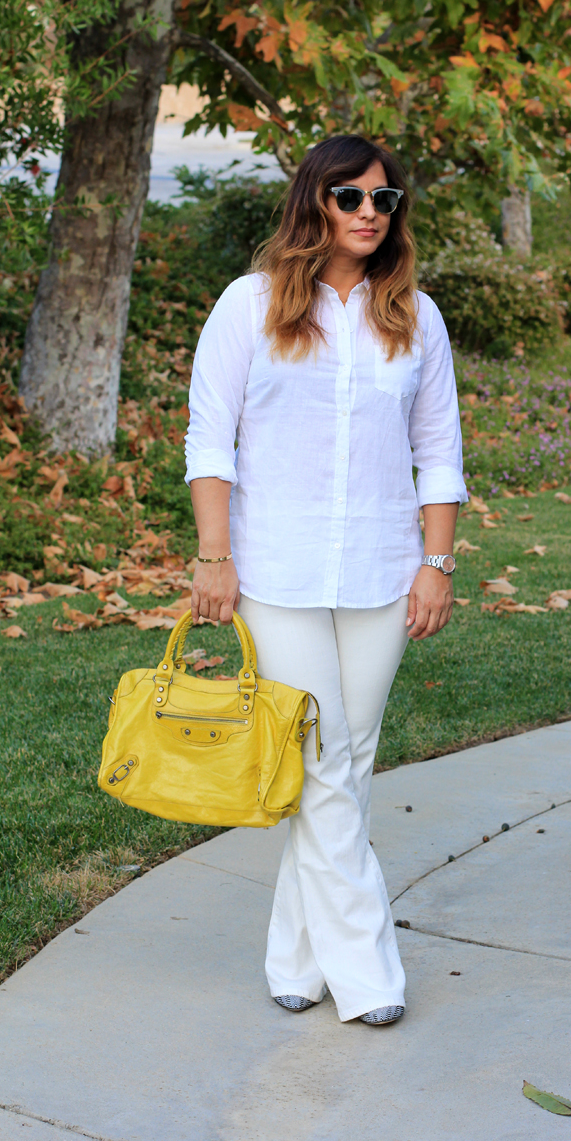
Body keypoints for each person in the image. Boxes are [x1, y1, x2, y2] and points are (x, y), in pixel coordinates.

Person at [184, 134, 466, 1026]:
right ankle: (371, 975)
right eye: (351, 198)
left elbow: (440, 451)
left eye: (386, 201)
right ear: (315, 200)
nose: (369, 216)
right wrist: (213, 555)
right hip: (277, 570)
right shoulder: (249, 305)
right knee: (322, 757)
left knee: (344, 761)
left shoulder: (415, 316)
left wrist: (437, 563)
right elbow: (209, 440)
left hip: (385, 572)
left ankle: (294, 962)